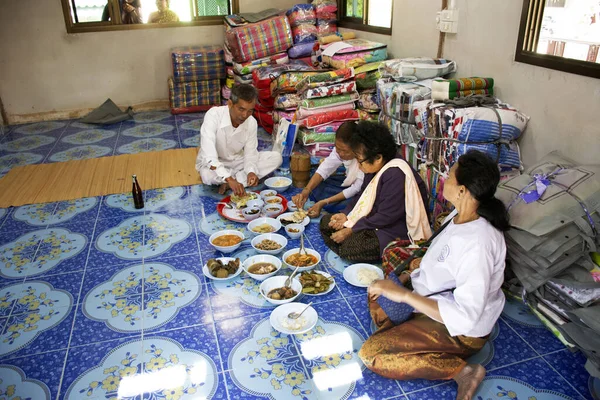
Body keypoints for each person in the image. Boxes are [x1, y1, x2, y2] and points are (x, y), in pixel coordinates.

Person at [359, 150, 510, 400]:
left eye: (449, 176)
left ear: (462, 190)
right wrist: (413, 273)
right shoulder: (460, 215)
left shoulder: (479, 244)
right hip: (430, 296)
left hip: (460, 329)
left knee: (373, 354)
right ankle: (406, 329)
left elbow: (466, 316)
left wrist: (404, 296)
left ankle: (463, 371)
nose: (444, 180)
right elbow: (445, 261)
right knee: (376, 290)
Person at [319, 122, 430, 262]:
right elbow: (362, 196)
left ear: (378, 158)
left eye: (360, 161)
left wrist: (351, 230)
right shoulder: (374, 166)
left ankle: (345, 246)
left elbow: (385, 217)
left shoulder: (396, 174)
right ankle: (343, 244)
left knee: (351, 247)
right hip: (370, 219)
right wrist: (345, 214)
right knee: (326, 222)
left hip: (392, 229)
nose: (359, 167)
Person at [195, 84, 283, 196]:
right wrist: (228, 178)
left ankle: (232, 182)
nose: (245, 115)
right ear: (230, 103)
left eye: (250, 111)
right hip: (215, 162)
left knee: (276, 158)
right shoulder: (213, 115)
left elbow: (250, 154)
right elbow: (209, 156)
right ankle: (234, 180)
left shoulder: (251, 122)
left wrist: (251, 172)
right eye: (241, 109)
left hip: (237, 160)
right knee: (207, 176)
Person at [292, 121, 364, 217]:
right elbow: (325, 169)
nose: (341, 154)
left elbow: (356, 188)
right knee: (317, 184)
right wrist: (306, 190)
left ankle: (334, 207)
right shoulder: (339, 151)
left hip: (362, 190)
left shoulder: (364, 158)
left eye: (345, 151)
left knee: (355, 204)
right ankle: (331, 204)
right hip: (349, 183)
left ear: (357, 148)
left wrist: (324, 202)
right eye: (338, 149)